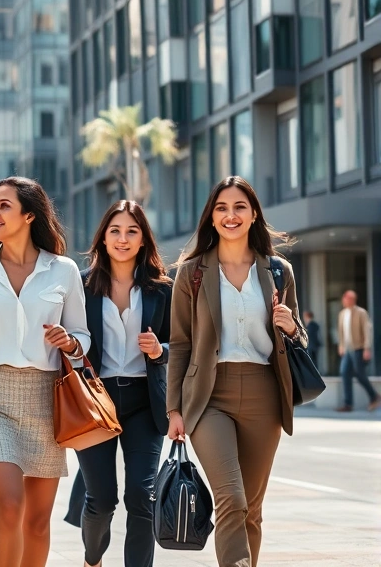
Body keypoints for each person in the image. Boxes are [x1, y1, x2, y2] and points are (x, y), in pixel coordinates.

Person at [0, 176, 89, 567]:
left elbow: (82, 336)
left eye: (4, 205)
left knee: (38, 523)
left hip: (46, 399)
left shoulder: (63, 270)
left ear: (29, 215)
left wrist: (70, 342)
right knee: (9, 505)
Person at [168, 176, 307, 567]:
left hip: (265, 393)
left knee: (252, 509)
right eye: (222, 208)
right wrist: (173, 409)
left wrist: (291, 326)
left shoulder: (279, 271)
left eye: (240, 207)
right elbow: (180, 344)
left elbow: (300, 339)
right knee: (231, 499)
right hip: (209, 397)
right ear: (211, 217)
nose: (231, 215)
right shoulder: (192, 273)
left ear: (254, 214)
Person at [62, 200, 172, 567]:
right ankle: (93, 558)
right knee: (102, 498)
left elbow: (183, 345)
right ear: (103, 238)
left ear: (143, 240)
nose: (123, 239)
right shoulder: (80, 285)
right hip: (95, 402)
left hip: (145, 401)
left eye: (132, 231)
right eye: (115, 231)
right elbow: (72, 340)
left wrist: (160, 350)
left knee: (143, 496)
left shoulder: (161, 289)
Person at [336, 290, 379, 412]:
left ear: (351, 299)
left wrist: (367, 348)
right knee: (344, 373)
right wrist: (341, 345)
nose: (343, 300)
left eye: (345, 298)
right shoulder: (342, 314)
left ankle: (374, 396)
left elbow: (367, 331)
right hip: (347, 350)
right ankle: (348, 404)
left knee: (360, 375)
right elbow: (341, 332)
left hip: (358, 348)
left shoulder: (361, 313)